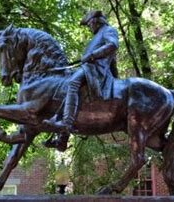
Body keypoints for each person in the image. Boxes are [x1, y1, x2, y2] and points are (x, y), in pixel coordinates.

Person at [43, 10, 119, 149]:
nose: (89, 28)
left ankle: (66, 123)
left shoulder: (108, 30)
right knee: (65, 86)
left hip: (95, 71)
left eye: (89, 24)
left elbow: (113, 45)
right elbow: (113, 61)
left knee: (72, 83)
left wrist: (92, 55)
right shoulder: (96, 37)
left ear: (96, 21)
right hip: (89, 69)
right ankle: (62, 138)